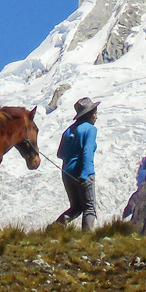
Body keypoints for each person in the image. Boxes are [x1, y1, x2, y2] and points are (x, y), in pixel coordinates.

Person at [55, 97, 98, 231]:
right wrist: (84, 174)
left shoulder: (68, 131)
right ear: (90, 114)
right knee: (89, 209)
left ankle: (55, 227)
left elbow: (60, 154)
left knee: (76, 207)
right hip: (83, 173)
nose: (96, 117)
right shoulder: (90, 129)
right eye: (95, 113)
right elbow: (87, 152)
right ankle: (87, 238)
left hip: (67, 173)